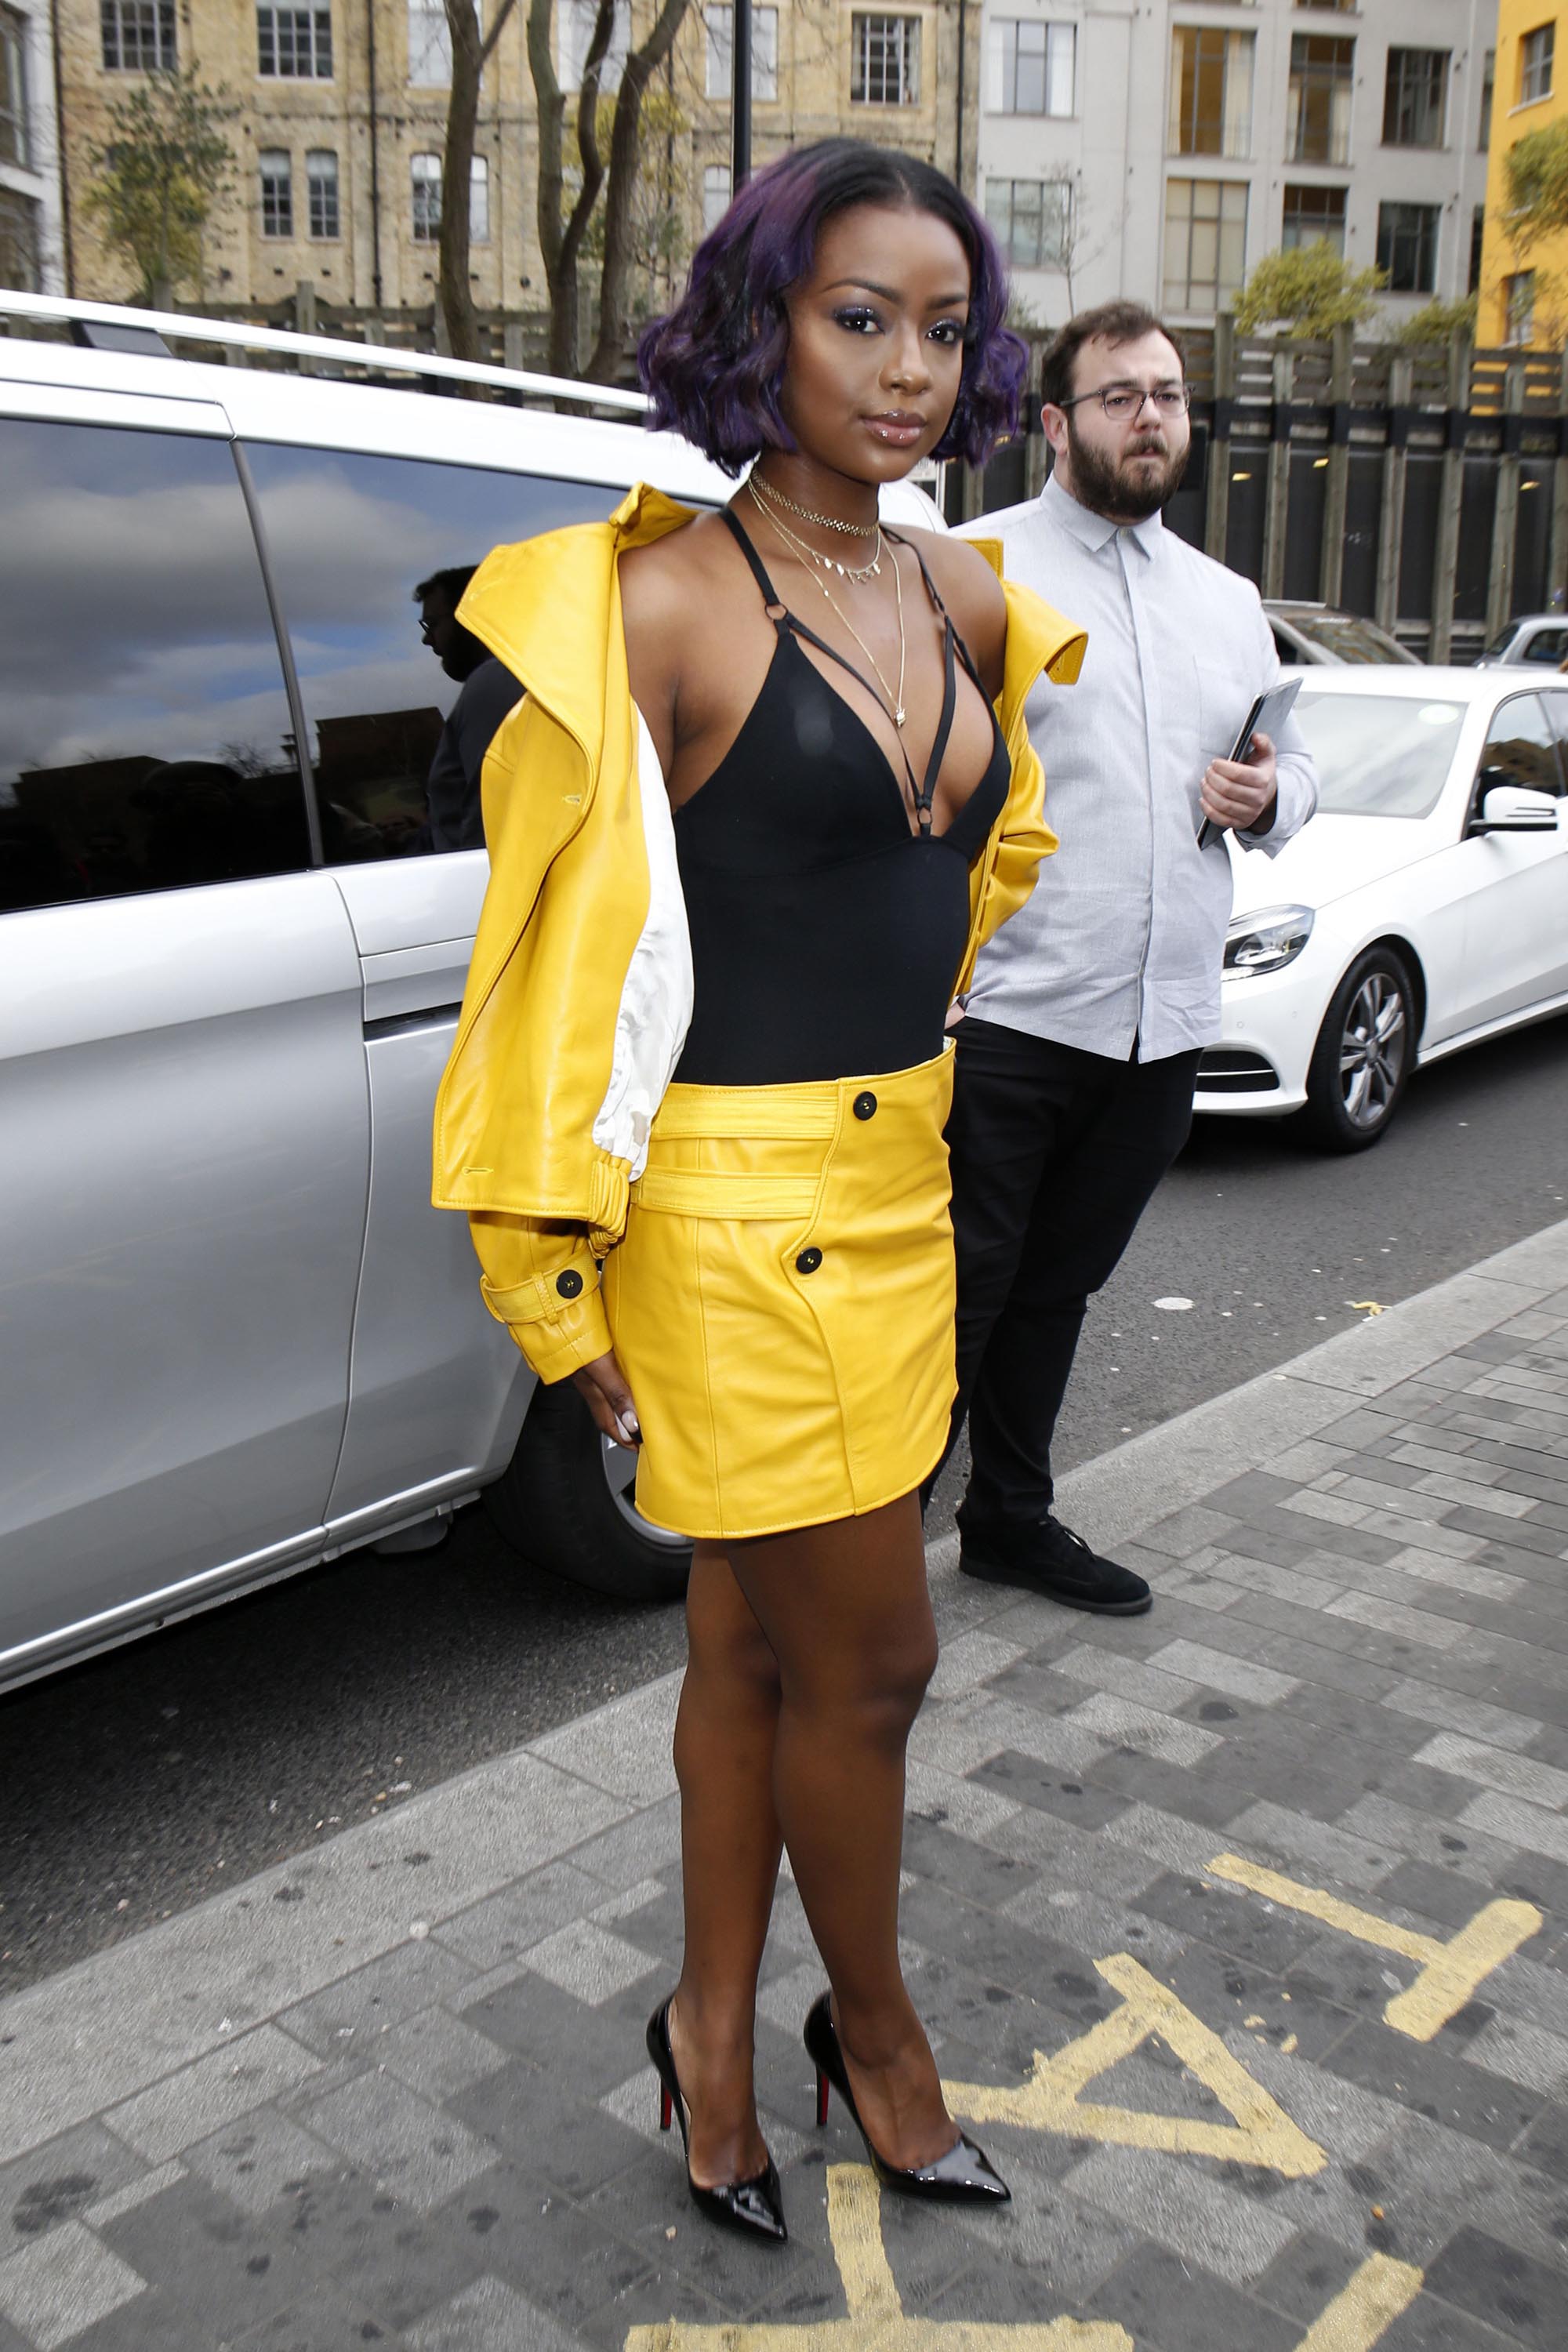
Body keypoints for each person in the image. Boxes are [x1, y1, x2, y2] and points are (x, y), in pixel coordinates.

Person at [432, 142, 1086, 2241]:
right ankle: (869, 2041)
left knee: (754, 1655)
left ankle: (709, 2039)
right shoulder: (655, 604)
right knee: (875, 1671)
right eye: (859, 318)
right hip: (725, 1230)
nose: (912, 370)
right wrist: (560, 1284)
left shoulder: (969, 590)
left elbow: (960, 880)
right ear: (761, 323)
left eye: (948, 329)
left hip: (903, 1198)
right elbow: (548, 975)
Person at [932, 299, 1318, 1616]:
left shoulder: (1228, 602)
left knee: (1057, 1290)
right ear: (1055, 422)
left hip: (1163, 1026)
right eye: (1118, 396)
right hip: (1012, 1019)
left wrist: (1275, 801)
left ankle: (1009, 1520)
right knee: (956, 1302)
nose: (1149, 416)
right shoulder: (971, 566)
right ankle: (864, 1569)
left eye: (1165, 393)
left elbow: (1288, 759)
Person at [411, 565, 522, 851]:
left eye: (432, 624)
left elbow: (488, 815)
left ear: (471, 615)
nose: (427, 639)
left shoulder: (494, 680)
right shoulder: (517, 676)